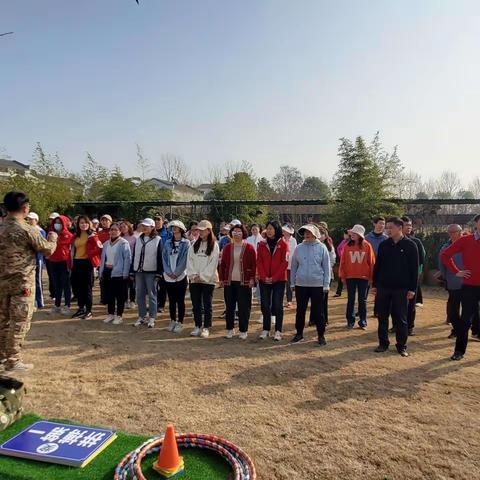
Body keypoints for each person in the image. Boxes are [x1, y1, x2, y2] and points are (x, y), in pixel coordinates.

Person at [0, 191, 58, 372]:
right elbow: (47, 250)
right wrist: (53, 238)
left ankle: (2, 358)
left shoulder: (1, 228)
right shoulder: (26, 229)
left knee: (3, 321)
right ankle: (13, 360)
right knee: (19, 322)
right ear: (25, 208)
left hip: (2, 283)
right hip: (22, 283)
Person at [372, 217, 418, 357]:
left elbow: (414, 270)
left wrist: (412, 289)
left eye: (390, 227)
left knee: (401, 318)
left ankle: (401, 346)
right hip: (384, 287)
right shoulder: (384, 245)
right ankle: (383, 343)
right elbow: (378, 266)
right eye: (387, 227)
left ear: (400, 227)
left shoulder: (410, 245)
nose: (388, 230)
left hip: (401, 289)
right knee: (382, 316)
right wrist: (375, 284)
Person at [440, 214, 480, 360]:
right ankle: (459, 351)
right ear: (476, 223)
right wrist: (457, 271)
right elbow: (445, 255)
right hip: (469, 286)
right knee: (465, 320)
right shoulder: (466, 240)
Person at [290, 224, 331, 345]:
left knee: (319, 311)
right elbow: (293, 266)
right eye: (305, 232)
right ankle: (299, 334)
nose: (307, 234)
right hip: (301, 284)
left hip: (317, 284)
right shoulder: (299, 247)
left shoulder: (322, 247)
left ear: (315, 234)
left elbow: (326, 267)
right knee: (300, 310)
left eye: (309, 232)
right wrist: (292, 282)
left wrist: (326, 284)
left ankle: (321, 335)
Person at [219, 223, 256, 339]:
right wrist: (221, 279)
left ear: (243, 233)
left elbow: (254, 265)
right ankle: (230, 329)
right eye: (234, 232)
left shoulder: (249, 248)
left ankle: (243, 330)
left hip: (244, 282)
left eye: (239, 232)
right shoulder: (227, 247)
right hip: (230, 282)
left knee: (244, 306)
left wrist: (252, 279)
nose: (236, 234)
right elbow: (223, 265)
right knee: (229, 306)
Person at [187, 220, 220, 338]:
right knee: (196, 304)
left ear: (209, 230)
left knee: (207, 304)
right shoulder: (194, 244)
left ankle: (206, 327)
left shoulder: (214, 245)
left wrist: (203, 276)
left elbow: (213, 263)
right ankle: (197, 325)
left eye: (202, 230)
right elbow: (189, 260)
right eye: (198, 230)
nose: (200, 232)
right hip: (195, 280)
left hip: (208, 280)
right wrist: (194, 275)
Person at [257, 221, 289, 341]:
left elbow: (284, 263)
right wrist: (264, 277)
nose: (269, 231)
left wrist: (274, 277)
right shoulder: (261, 244)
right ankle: (266, 329)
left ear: (276, 230)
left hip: (279, 280)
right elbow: (259, 261)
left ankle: (278, 330)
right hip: (264, 279)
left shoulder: (284, 244)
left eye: (271, 228)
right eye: (267, 229)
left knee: (277, 304)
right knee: (265, 305)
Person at [339, 224, 375, 330]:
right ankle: (350, 320)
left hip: (363, 277)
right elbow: (343, 262)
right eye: (352, 233)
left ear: (360, 235)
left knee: (362, 300)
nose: (352, 235)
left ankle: (362, 320)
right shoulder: (347, 246)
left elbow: (372, 262)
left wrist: (371, 277)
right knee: (351, 299)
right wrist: (342, 275)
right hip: (350, 276)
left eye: (355, 233)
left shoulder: (367, 245)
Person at [132, 218, 163, 328]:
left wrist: (159, 272)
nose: (144, 227)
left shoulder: (158, 239)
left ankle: (152, 317)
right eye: (143, 226)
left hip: (151, 271)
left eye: (147, 226)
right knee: (139, 294)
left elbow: (160, 256)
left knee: (152, 294)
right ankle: (141, 316)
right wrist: (133, 270)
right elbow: (135, 254)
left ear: (152, 227)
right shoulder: (138, 239)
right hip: (139, 271)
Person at [70, 216, 102, 320]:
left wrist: (90, 254)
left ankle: (89, 311)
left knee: (87, 288)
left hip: (87, 263)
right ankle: (81, 308)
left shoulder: (93, 235)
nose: (83, 225)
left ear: (89, 224)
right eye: (81, 223)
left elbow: (99, 248)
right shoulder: (76, 236)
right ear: (78, 224)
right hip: (76, 262)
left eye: (85, 223)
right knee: (77, 287)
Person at [100, 223, 131, 325]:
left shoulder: (123, 243)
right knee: (109, 294)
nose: (113, 231)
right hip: (107, 271)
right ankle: (110, 313)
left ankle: (119, 315)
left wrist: (125, 273)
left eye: (116, 230)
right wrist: (101, 271)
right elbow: (103, 259)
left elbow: (127, 259)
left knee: (120, 295)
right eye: (112, 229)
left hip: (119, 273)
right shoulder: (105, 243)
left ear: (120, 231)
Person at [162, 220, 190, 333]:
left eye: (176, 227)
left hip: (181, 276)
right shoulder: (168, 242)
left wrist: (177, 272)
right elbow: (164, 258)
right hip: (169, 276)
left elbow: (184, 259)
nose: (174, 229)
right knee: (172, 300)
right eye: (172, 227)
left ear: (181, 229)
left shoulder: (186, 243)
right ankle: (172, 320)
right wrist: (168, 271)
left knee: (180, 300)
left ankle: (180, 322)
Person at [438, 224, 465, 339]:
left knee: (471, 308)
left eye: (454, 231)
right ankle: (456, 329)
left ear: (460, 232)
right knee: (453, 308)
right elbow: (442, 264)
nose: (452, 234)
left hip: (469, 282)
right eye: (450, 232)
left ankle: (475, 330)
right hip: (453, 282)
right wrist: (445, 278)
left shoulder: (469, 244)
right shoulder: (445, 247)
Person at [401, 216, 426, 335]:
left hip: (412, 279)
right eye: (407, 225)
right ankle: (397, 325)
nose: (409, 228)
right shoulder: (393, 241)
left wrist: (417, 276)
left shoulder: (416, 242)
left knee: (411, 304)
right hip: (398, 279)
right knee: (396, 304)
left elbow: (421, 261)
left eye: (410, 225)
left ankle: (409, 327)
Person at [48, 215, 74, 315]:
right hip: (53, 262)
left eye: (59, 222)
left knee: (66, 285)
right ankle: (57, 305)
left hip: (64, 263)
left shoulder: (69, 235)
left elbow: (71, 250)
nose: (57, 224)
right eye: (55, 222)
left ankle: (67, 305)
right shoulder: (51, 234)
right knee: (56, 285)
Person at [26, 212, 47, 309]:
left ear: (36, 220)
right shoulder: (27, 230)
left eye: (31, 219)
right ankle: (33, 301)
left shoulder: (41, 231)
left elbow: (41, 246)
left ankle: (40, 302)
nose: (29, 221)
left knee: (37, 281)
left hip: (37, 259)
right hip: (28, 260)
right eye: (28, 219)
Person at [318, 225, 336, 326]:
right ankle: (313, 318)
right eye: (319, 234)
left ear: (325, 235)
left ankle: (324, 319)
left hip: (326, 275)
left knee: (324, 300)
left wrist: (325, 268)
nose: (320, 236)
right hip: (315, 276)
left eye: (322, 234)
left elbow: (333, 260)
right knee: (315, 300)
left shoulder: (329, 247)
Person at [119, 220, 137, 309]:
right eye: (121, 227)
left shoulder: (134, 237)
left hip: (131, 263)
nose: (122, 228)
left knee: (132, 283)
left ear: (129, 227)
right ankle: (125, 300)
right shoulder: (119, 237)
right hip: (121, 263)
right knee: (123, 283)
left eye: (124, 226)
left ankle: (132, 300)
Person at [154, 214, 169, 313]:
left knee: (162, 285)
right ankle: (154, 303)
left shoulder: (168, 233)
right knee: (153, 285)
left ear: (163, 221)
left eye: (158, 219)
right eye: (154, 219)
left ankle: (161, 305)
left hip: (163, 262)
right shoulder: (150, 233)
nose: (156, 221)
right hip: (152, 262)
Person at [282, 224, 297, 308]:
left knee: (289, 283)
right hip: (281, 265)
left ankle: (289, 300)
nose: (284, 232)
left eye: (285, 231)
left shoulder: (293, 240)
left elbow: (293, 252)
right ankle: (280, 299)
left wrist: (287, 259)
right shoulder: (281, 240)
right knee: (281, 283)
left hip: (290, 265)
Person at [334, 230, 349, 297]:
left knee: (349, 277)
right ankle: (338, 292)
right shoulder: (343, 241)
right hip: (342, 261)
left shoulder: (351, 242)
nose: (344, 236)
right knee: (341, 276)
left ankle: (350, 292)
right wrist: (341, 255)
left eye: (345, 234)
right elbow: (338, 248)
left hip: (349, 262)